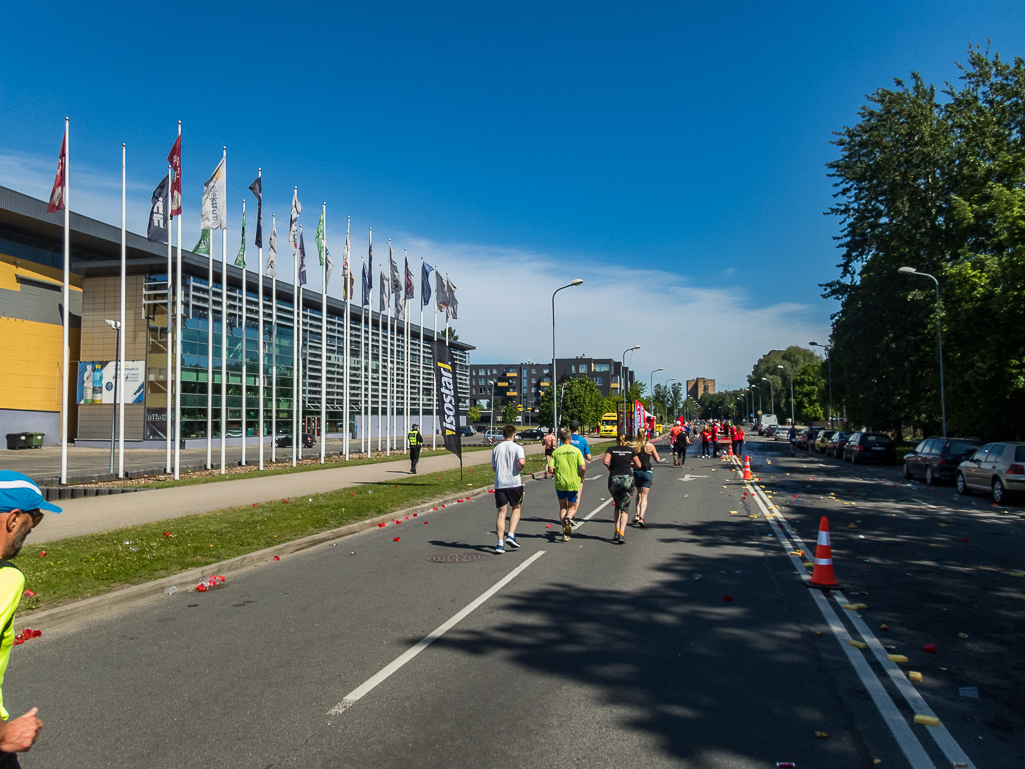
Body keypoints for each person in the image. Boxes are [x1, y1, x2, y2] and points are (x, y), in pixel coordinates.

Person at [0, 471, 59, 765]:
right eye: (34, 517)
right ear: (13, 519)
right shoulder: (5, 578)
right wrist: (3, 734)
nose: (33, 527)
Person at [491, 424, 526, 554]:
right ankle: (511, 534)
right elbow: (521, 462)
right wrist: (519, 469)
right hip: (514, 482)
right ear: (514, 435)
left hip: (500, 483)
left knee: (501, 513)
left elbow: (494, 467)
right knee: (516, 508)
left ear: (503, 434)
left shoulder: (496, 448)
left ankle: (500, 543)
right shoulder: (517, 447)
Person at [549, 429, 586, 541]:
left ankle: (565, 533)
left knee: (562, 507)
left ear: (561, 439)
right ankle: (569, 518)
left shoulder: (556, 452)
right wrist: (581, 475)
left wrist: (556, 472)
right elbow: (583, 467)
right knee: (572, 506)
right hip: (573, 482)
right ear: (570, 439)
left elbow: (550, 468)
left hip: (560, 482)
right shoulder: (576, 451)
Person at [603, 433, 641, 544]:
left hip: (614, 479)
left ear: (616, 440)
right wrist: (630, 465)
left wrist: (610, 467)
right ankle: (622, 533)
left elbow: (605, 461)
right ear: (627, 440)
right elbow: (638, 465)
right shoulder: (630, 451)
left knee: (617, 506)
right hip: (627, 480)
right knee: (625, 508)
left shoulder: (611, 449)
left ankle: (616, 529)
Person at [631, 432, 662, 527]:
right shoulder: (650, 446)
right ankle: (641, 517)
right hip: (647, 472)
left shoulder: (634, 447)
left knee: (639, 494)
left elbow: (631, 461)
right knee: (644, 496)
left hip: (637, 472)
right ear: (646, 436)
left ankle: (636, 514)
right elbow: (658, 460)